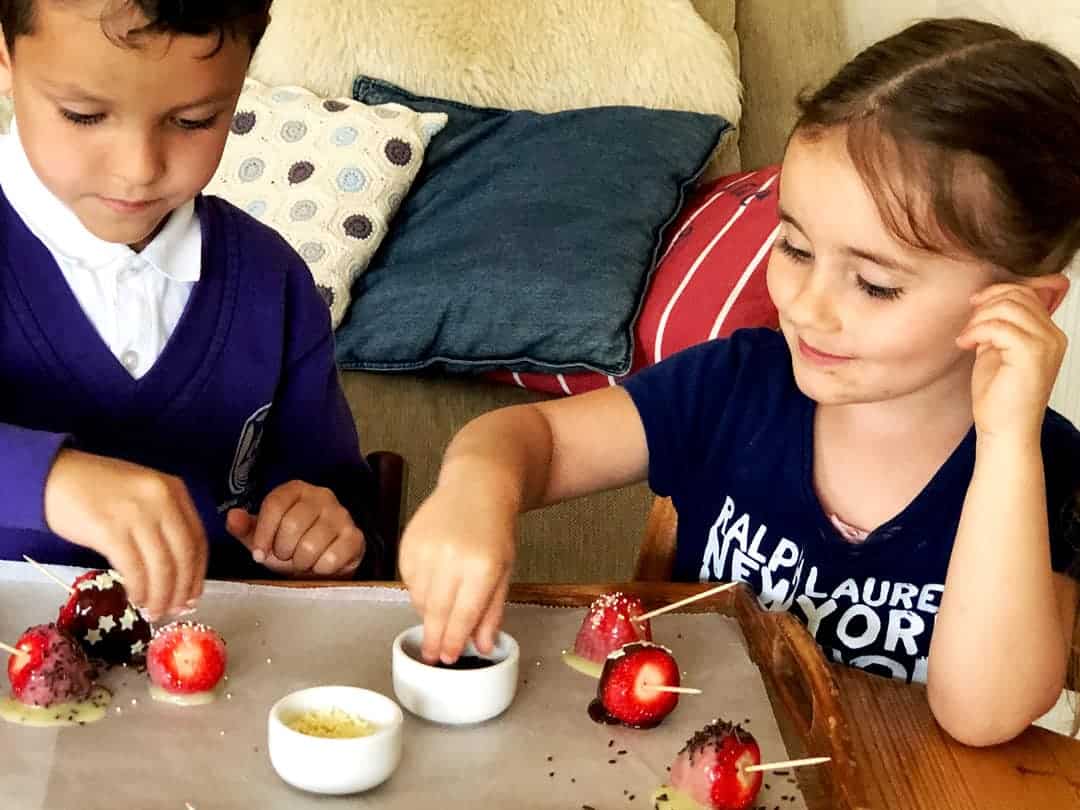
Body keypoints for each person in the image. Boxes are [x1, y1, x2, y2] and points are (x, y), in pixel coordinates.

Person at [398, 18, 1080, 746]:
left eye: (875, 285)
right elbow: (530, 438)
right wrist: (474, 492)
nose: (808, 306)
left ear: (1023, 308)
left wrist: (1007, 447)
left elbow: (980, 719)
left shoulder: (1037, 473)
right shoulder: (736, 385)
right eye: (793, 245)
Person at [0, 0, 380, 622]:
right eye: (83, 115)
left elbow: (340, 500)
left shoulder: (270, 280)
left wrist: (322, 529)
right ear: (6, 58)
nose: (138, 170)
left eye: (194, 121)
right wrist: (47, 480)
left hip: (214, 683)